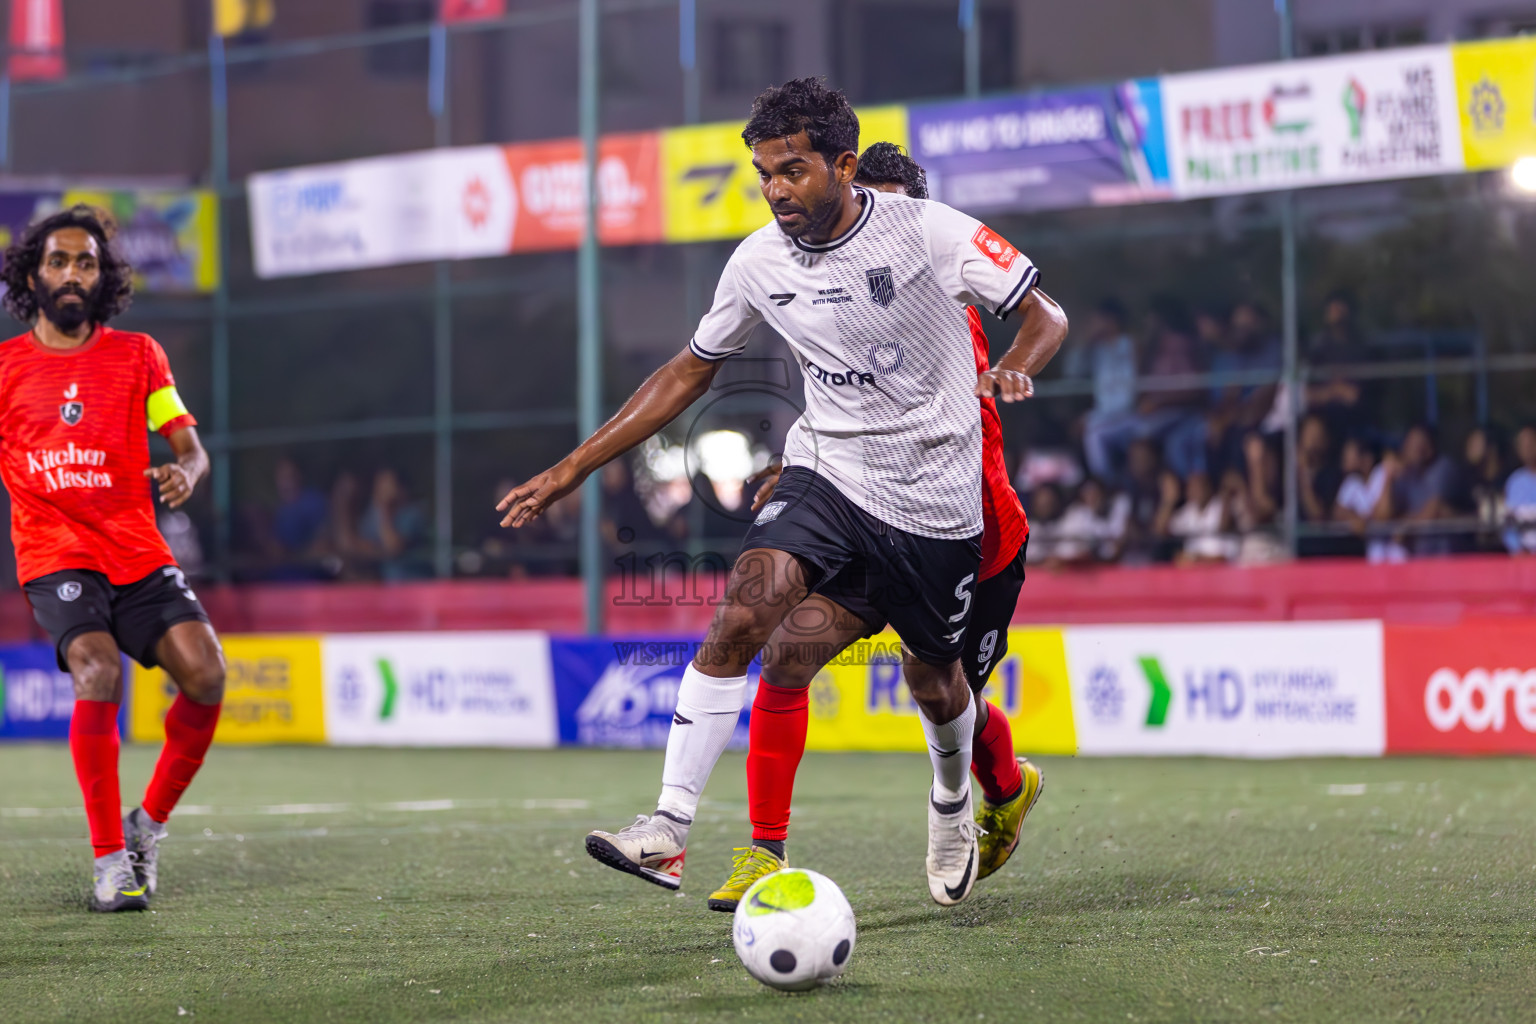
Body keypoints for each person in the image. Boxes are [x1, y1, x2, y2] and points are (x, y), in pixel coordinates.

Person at [498, 79, 1067, 907]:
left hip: (936, 506)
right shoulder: (759, 259)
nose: (776, 190)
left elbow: (1044, 313)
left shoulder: (931, 235)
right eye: (765, 174)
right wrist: (573, 467)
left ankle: (953, 805)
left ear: (844, 166)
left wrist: (1017, 365)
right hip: (830, 473)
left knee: (938, 684)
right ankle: (669, 828)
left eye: (792, 171)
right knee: (749, 615)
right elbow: (691, 368)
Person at [700, 143, 1048, 913]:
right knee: (786, 653)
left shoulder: (948, 315)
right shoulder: (830, 297)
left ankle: (999, 792)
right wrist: (802, 467)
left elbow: (1033, 322)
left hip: (970, 544)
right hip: (863, 522)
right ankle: (762, 848)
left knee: (940, 690)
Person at [0, 206, 226, 912]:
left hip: (134, 548)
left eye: (87, 262)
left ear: (106, 277)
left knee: (208, 675)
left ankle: (145, 828)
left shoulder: (139, 356)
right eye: (60, 261)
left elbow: (190, 448)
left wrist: (186, 472)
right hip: (55, 551)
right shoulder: (5, 370)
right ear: (33, 274)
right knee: (98, 670)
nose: (73, 273)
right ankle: (109, 865)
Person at [1072, 299, 1139, 482]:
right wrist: (1086, 340)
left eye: (1099, 320)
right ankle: (1102, 484)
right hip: (1105, 415)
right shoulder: (1096, 348)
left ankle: (1108, 484)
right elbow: (1072, 371)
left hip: (1131, 413)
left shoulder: (1130, 344)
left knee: (1096, 433)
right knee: (1088, 431)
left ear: (1112, 319)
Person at [1383, 424, 1457, 558]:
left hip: (1444, 557)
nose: (1413, 448)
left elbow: (1434, 508)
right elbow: (1386, 516)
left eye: (1418, 443)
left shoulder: (1442, 467)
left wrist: (1406, 525)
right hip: (1418, 558)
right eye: (1410, 443)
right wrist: (1388, 477)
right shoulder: (1407, 475)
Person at [1503, 426, 1536, 554]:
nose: (1526, 448)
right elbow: (1508, 525)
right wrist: (1518, 549)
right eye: (1522, 444)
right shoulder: (1514, 482)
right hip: (1523, 558)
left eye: (1531, 443)